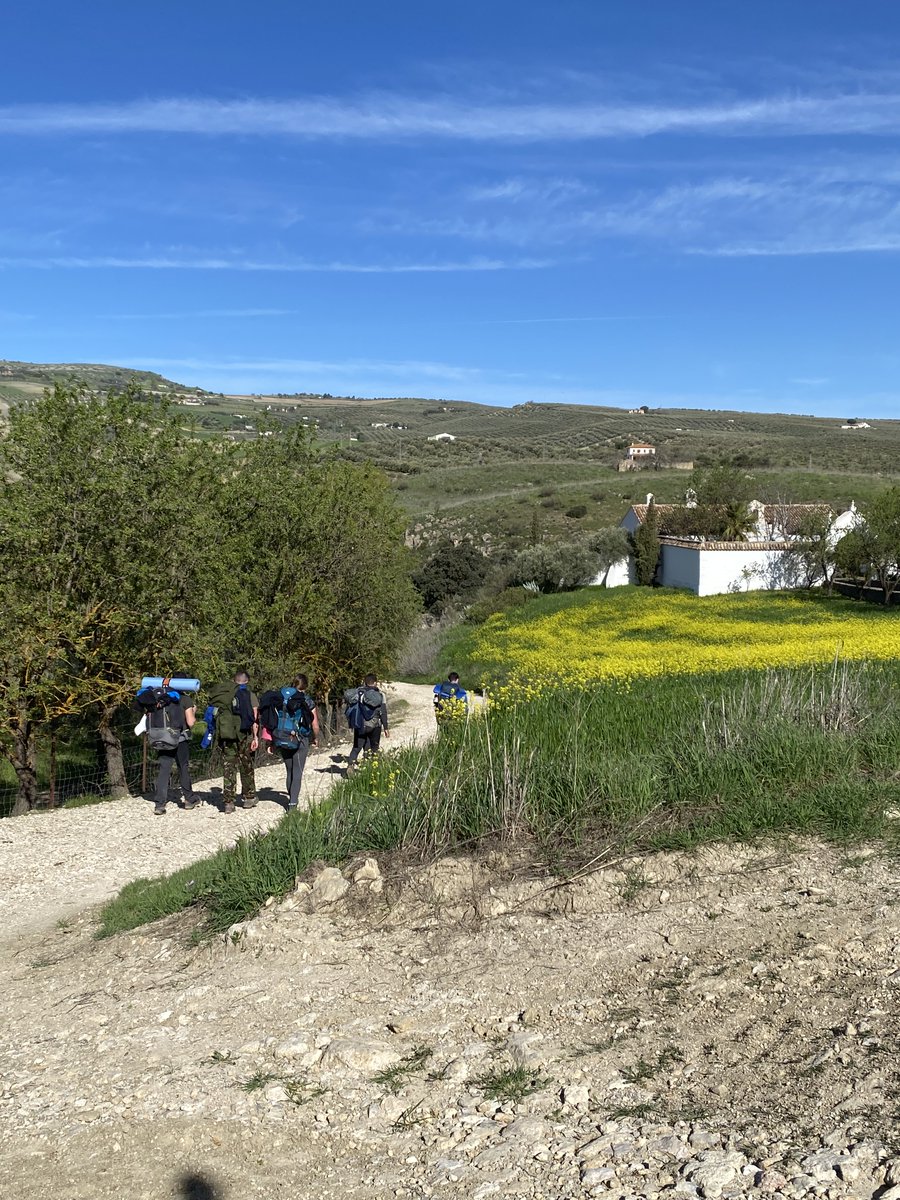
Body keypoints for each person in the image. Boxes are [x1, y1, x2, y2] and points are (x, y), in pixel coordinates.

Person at [260, 674, 319, 810]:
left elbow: (271, 719)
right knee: (297, 771)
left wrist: (270, 743)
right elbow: (315, 725)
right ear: (305, 686)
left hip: (281, 737)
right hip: (300, 738)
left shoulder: (280, 698)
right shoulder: (307, 700)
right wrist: (315, 738)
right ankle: (292, 804)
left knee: (289, 770)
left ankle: (291, 796)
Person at [217, 670, 259, 814]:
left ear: (234, 681)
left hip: (227, 734)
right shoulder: (249, 694)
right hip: (244, 734)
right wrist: (255, 737)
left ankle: (229, 802)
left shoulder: (224, 695)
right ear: (246, 681)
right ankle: (249, 797)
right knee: (246, 764)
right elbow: (254, 719)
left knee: (229, 766)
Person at [151, 687, 198, 816]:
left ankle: (160, 804)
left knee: (164, 769)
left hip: (163, 738)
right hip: (180, 739)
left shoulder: (160, 698)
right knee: (183, 767)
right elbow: (191, 722)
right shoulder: (185, 699)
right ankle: (189, 799)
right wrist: (194, 710)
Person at [344, 673, 389, 773]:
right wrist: (386, 728)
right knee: (374, 748)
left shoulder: (359, 693)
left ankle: (350, 765)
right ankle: (371, 769)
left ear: (365, 682)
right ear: (375, 682)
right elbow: (383, 712)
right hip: (374, 726)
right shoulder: (380, 695)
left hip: (360, 725)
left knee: (356, 747)